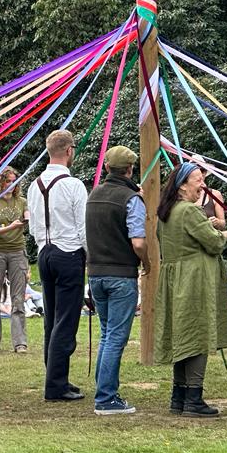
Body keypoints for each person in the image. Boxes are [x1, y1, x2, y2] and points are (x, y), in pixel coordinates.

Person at [155, 162, 227, 417]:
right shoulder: (189, 211)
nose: (202, 185)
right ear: (182, 185)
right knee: (198, 336)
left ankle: (179, 397)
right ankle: (193, 398)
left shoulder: (168, 210)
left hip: (176, 279)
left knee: (183, 337)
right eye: (198, 180)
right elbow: (213, 242)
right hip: (193, 280)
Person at [86, 146, 150, 415]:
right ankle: (106, 397)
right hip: (120, 274)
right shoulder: (131, 199)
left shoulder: (94, 195)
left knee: (106, 334)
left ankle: (104, 391)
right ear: (130, 169)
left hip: (95, 274)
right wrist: (146, 261)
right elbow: (137, 241)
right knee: (115, 337)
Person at [27, 130, 88, 402]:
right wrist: (89, 254)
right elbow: (83, 227)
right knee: (66, 319)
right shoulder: (73, 185)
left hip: (44, 253)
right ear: (69, 151)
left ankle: (56, 375)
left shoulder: (34, 185)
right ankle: (55, 384)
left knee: (51, 317)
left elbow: (32, 227)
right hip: (69, 253)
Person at [0, 167, 30, 353]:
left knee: (18, 299)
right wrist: (10, 227)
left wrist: (28, 220)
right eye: (7, 181)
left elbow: (27, 219)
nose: (10, 185)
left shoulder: (22, 201)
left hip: (18, 251)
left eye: (13, 181)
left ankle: (20, 343)